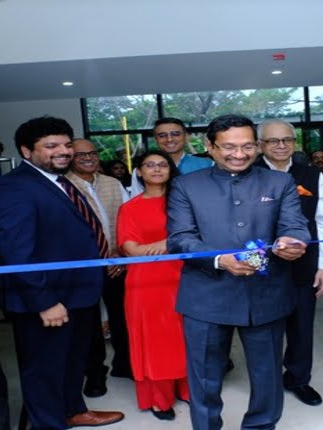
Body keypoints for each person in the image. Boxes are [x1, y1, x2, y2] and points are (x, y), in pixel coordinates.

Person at [167, 114, 310, 430]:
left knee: (267, 376)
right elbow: (180, 239)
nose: (239, 154)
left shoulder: (279, 182)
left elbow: (295, 225)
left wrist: (294, 240)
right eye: (228, 147)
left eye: (247, 146)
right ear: (209, 146)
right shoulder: (185, 185)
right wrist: (220, 259)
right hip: (206, 296)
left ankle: (260, 426)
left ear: (258, 146)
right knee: (204, 377)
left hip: (267, 294)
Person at [0, 116, 123, 429]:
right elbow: (17, 252)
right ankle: (49, 424)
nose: (63, 151)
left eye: (66, 144)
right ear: (26, 151)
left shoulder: (60, 183)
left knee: (72, 362)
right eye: (51, 146)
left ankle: (72, 409)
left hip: (78, 294)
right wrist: (44, 301)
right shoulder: (13, 188)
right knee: (44, 368)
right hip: (47, 300)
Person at [255, 120, 323, 406]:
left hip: (304, 264)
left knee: (302, 326)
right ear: (260, 145)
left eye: (287, 140)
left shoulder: (311, 174)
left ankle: (298, 379)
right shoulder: (249, 174)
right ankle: (267, 384)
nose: (281, 146)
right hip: (260, 268)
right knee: (264, 329)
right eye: (273, 141)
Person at [117, 150, 189, 421]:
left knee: (187, 337)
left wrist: (167, 244)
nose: (157, 169)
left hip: (185, 278)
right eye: (149, 165)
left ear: (171, 170)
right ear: (138, 172)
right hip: (146, 284)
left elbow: (198, 237)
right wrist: (172, 243)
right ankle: (159, 399)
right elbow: (131, 250)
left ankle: (188, 390)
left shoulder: (183, 203)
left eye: (162, 165)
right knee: (155, 342)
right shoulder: (130, 208)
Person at [65, 138, 133, 397]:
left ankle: (124, 365)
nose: (88, 158)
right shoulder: (64, 186)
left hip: (116, 263)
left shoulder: (112, 183)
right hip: (84, 268)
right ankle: (95, 375)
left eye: (92, 153)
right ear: (71, 157)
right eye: (81, 154)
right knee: (88, 325)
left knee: (122, 318)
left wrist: (119, 255)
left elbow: (126, 220)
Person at [128, 117, 213, 195]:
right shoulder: (143, 170)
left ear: (186, 136)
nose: (169, 139)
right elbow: (137, 202)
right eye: (162, 135)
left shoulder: (208, 165)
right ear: (155, 139)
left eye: (176, 134)